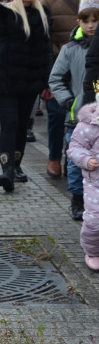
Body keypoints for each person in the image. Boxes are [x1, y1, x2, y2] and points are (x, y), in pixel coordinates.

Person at [0, 0, 53, 192]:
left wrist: (47, 83)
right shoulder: (2, 15)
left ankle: (17, 166)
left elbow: (47, 52)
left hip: (30, 81)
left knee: (22, 125)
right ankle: (7, 170)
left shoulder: (42, 15)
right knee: (9, 123)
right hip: (5, 80)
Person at [41, 0, 98, 178]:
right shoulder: (49, 0)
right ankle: (55, 157)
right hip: (63, 67)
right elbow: (43, 37)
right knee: (59, 117)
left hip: (94, 69)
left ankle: (85, 166)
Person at [52, 0, 99, 219]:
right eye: (86, 20)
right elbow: (56, 78)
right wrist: (69, 101)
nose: (91, 25)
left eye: (95, 20)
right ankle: (77, 199)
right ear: (78, 21)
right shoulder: (70, 49)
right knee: (75, 161)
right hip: (78, 116)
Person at [68, 69, 99, 270]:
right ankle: (92, 250)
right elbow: (74, 147)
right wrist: (86, 160)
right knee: (95, 219)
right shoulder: (88, 125)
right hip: (95, 182)